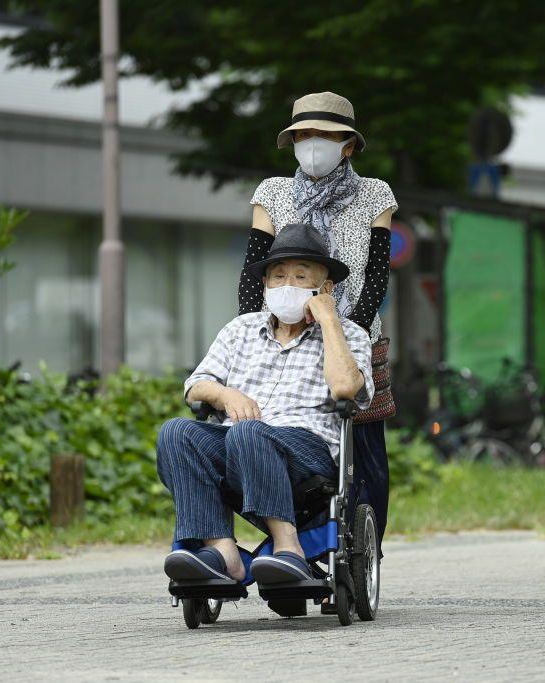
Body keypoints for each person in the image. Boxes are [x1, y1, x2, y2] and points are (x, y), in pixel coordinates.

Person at [157, 224, 374, 585]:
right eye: (278, 276)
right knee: (176, 432)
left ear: (326, 288)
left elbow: (346, 388)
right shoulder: (240, 329)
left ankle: (289, 549)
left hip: (306, 450)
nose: (287, 285)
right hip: (238, 443)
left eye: (301, 277)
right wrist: (226, 395)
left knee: (249, 432)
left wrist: (329, 319)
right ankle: (224, 553)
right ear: (265, 285)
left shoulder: (349, 334)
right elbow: (195, 386)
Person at [239, 91, 396, 547]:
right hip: (283, 336)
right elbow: (252, 275)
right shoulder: (272, 193)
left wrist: (348, 335)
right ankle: (294, 541)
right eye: (304, 134)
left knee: (364, 454)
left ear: (347, 145)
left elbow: (377, 276)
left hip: (353, 335)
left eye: (325, 135)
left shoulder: (375, 195)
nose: (313, 143)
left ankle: (365, 553)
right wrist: (255, 334)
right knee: (278, 434)